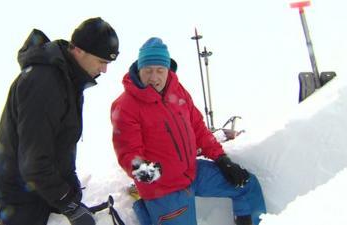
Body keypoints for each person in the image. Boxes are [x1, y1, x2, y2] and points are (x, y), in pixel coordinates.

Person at [110, 37, 266, 225]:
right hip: (163, 188)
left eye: (160, 70)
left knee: (246, 185)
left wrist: (221, 159)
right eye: (148, 70)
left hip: (193, 172)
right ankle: (148, 212)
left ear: (168, 70)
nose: (154, 77)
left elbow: (198, 128)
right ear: (138, 69)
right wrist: (141, 169)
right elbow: (128, 150)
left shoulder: (177, 91)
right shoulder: (126, 105)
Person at [0, 17, 119, 225]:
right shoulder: (44, 82)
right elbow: (34, 162)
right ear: (79, 50)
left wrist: (70, 186)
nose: (104, 70)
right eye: (102, 61)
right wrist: (69, 204)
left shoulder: (69, 78)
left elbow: (60, 143)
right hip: (22, 197)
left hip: (41, 190)